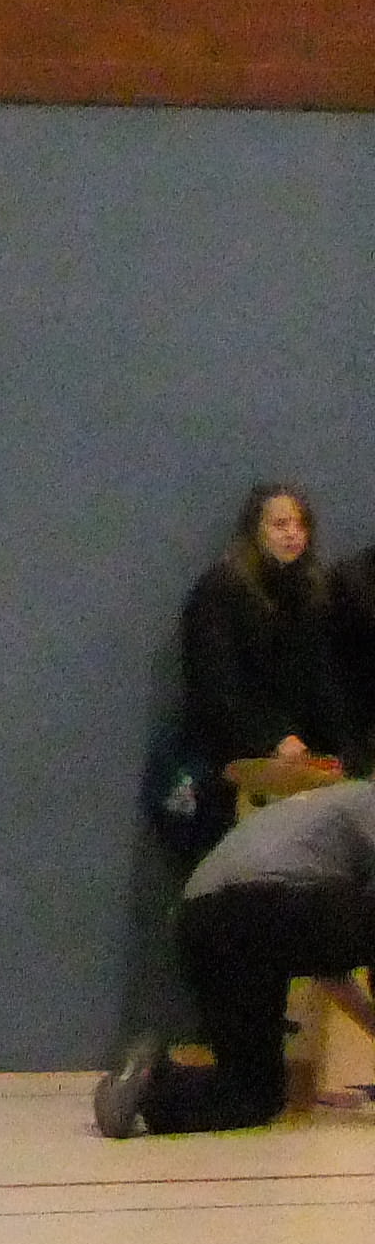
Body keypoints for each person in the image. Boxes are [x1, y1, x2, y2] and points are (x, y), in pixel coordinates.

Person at [96, 775, 375, 1137]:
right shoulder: (367, 803)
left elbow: (327, 957)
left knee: (254, 1094)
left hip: (201, 922)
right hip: (262, 903)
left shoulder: (325, 805)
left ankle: (148, 1087)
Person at [166, 486, 344, 863]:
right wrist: (274, 738)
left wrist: (345, 753)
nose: (292, 534)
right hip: (228, 763)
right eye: (280, 524)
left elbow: (320, 684)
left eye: (300, 525)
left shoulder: (310, 595)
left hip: (295, 764)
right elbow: (216, 686)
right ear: (255, 531)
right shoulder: (219, 592)